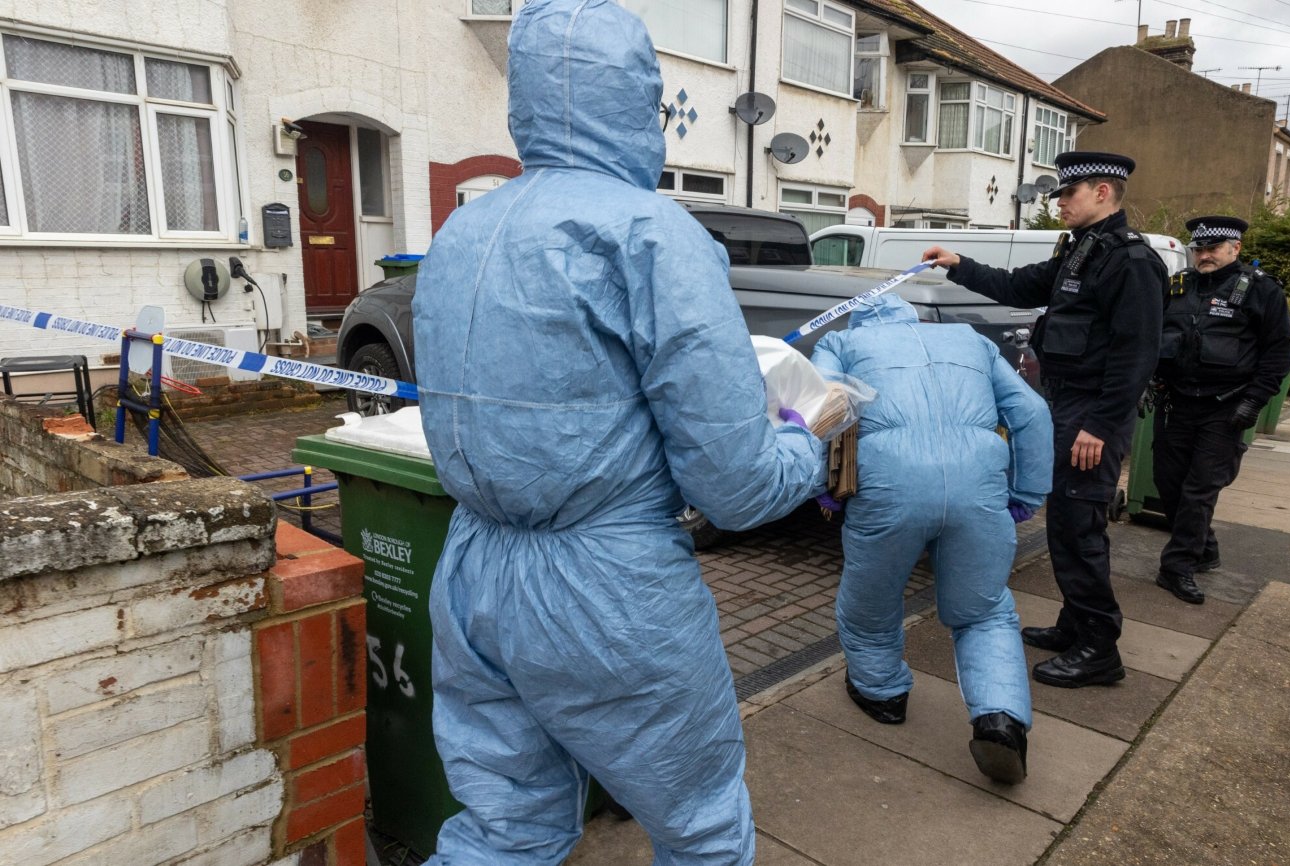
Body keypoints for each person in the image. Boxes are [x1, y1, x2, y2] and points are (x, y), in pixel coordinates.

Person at [410, 1, 825, 863]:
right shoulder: (651, 231)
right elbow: (735, 484)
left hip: (473, 577)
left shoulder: (462, 231)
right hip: (608, 594)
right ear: (639, 99)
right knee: (701, 823)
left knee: (502, 826)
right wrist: (807, 442)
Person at [921, 151, 1165, 688]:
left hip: (1091, 413)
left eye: (1068, 195)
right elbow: (1020, 286)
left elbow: (1136, 355)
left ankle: (1101, 649)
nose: (1059, 204)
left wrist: (1099, 427)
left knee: (1080, 528)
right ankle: (1075, 624)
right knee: (1066, 524)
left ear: (1102, 192)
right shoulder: (1081, 250)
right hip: (1067, 404)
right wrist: (958, 264)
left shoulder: (1131, 261)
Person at [812, 292, 1052, 784]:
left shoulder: (842, 342)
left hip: (888, 487)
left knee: (871, 604)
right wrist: (1027, 490)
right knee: (984, 610)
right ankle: (1000, 719)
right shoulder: (970, 340)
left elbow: (824, 409)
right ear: (913, 318)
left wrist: (827, 487)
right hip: (977, 484)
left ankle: (882, 695)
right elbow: (1030, 411)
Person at [1150, 216, 1290, 604]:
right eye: (1199, 249)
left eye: (1213, 248)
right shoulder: (1178, 286)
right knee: (1169, 483)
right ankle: (1205, 547)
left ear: (1236, 248)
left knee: (1200, 488)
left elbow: (1279, 352)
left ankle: (1176, 568)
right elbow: (1153, 335)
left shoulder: (1260, 291)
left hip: (1226, 405)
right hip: (1177, 400)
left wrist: (1254, 401)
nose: (1204, 255)